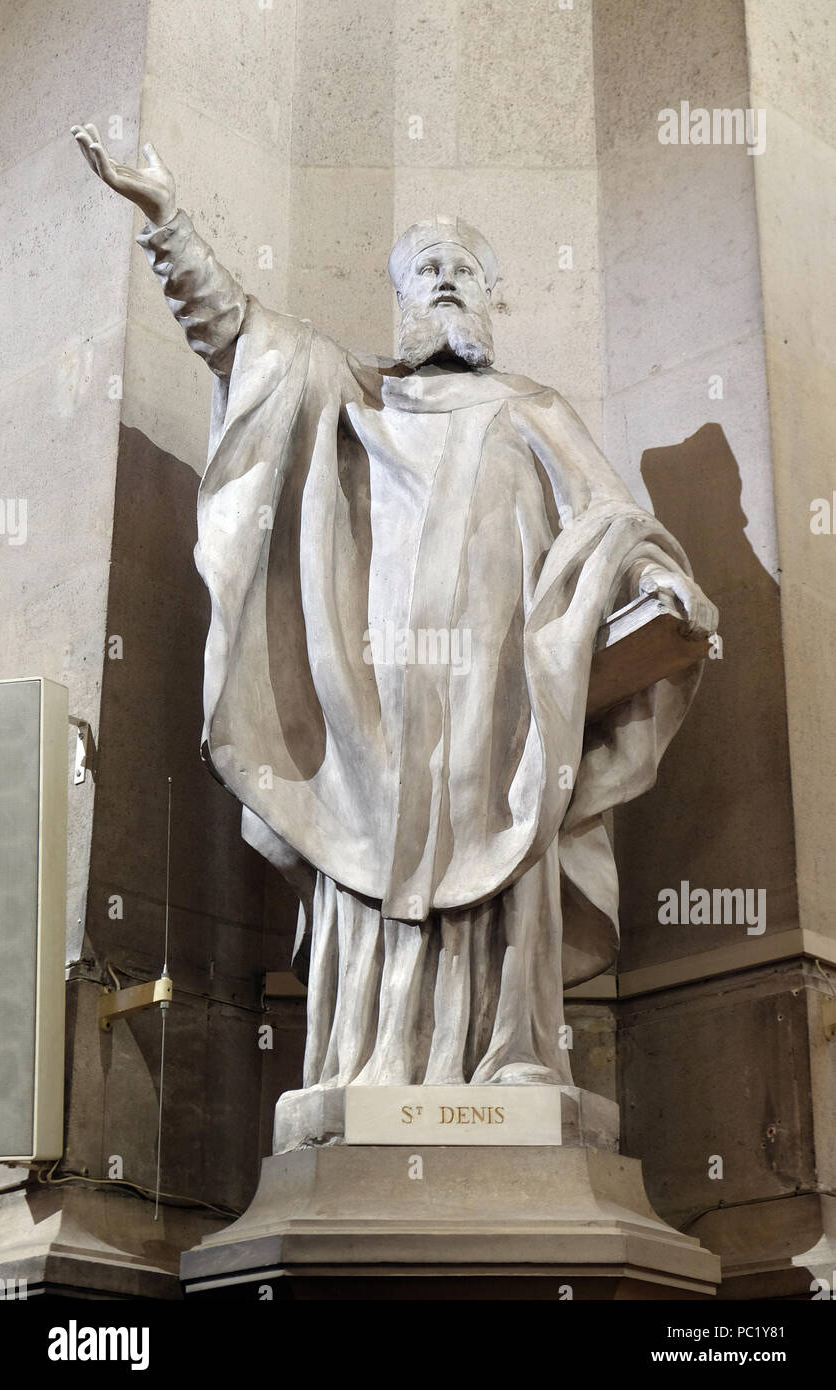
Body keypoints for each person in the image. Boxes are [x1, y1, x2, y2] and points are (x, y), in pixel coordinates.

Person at [72, 125, 717, 1108]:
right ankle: (370, 1064)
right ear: (401, 293)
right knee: (373, 869)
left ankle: (509, 1056)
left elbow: (611, 521)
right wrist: (168, 220)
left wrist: (658, 584)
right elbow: (236, 337)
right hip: (374, 700)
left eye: (466, 268)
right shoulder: (352, 394)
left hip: (506, 701)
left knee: (506, 862)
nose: (447, 279)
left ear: (493, 295)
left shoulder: (529, 405)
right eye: (427, 267)